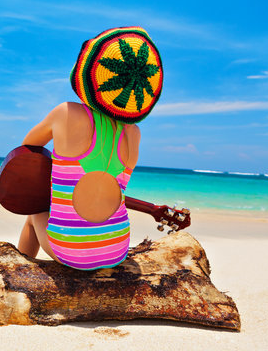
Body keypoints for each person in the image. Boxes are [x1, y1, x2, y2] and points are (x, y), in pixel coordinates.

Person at [17, 26, 163, 270]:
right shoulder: (133, 134)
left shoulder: (66, 113)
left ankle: (19, 277)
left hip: (70, 251)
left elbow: (27, 148)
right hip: (117, 249)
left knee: (33, 216)